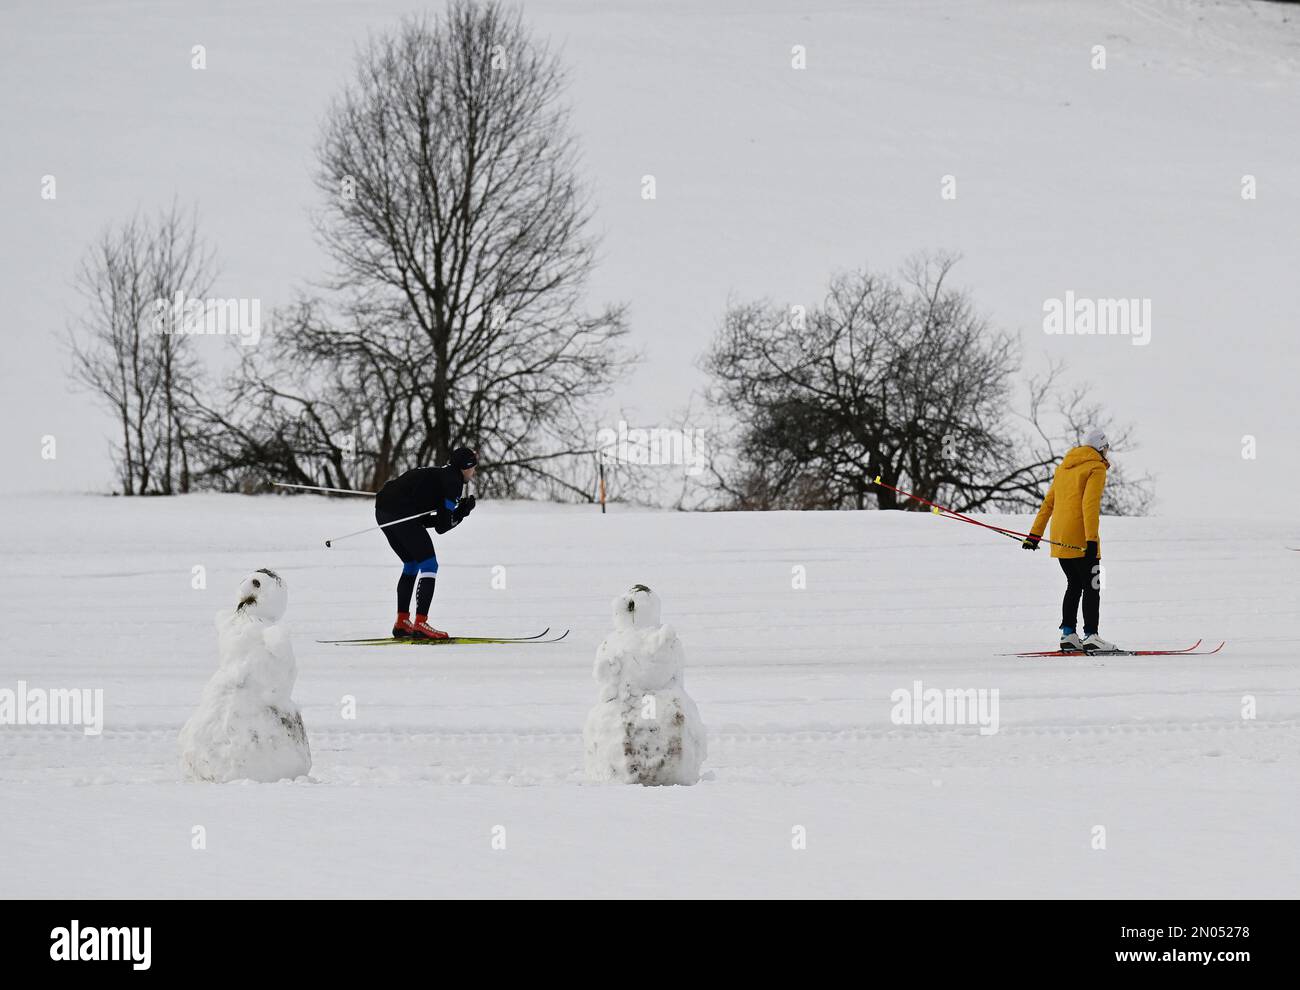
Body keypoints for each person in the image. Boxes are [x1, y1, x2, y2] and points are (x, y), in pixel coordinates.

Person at [1021, 429, 1117, 652]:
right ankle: (1092, 635)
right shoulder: (1096, 468)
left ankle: (1068, 635)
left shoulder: (1063, 468)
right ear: (1101, 448)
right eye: (1107, 448)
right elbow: (1089, 505)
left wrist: (1034, 536)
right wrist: (1091, 540)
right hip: (1081, 538)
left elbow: (1048, 504)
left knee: (1074, 584)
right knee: (1092, 585)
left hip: (1059, 537)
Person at [373, 447, 478, 640]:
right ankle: (420, 624)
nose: (474, 472)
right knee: (429, 565)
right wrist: (462, 513)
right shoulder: (453, 482)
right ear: (466, 467)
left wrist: (457, 511)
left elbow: (425, 522)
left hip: (383, 510)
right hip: (399, 512)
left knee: (412, 563)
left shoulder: (441, 475)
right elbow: (442, 527)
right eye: (473, 468)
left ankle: (402, 622)